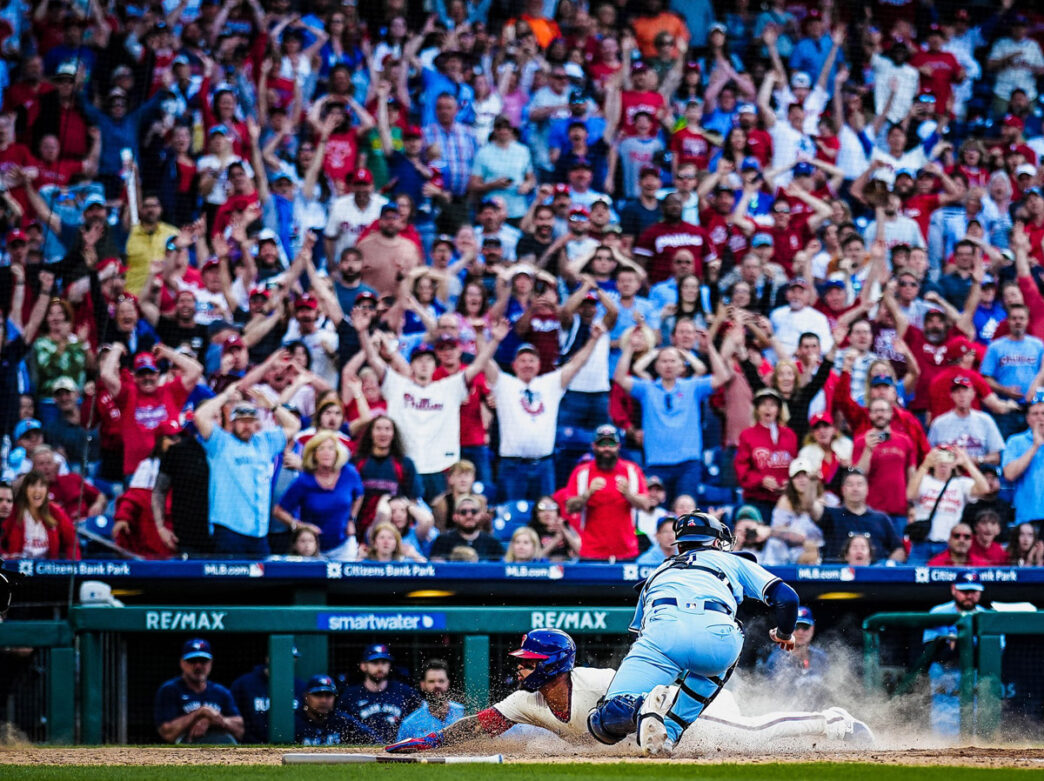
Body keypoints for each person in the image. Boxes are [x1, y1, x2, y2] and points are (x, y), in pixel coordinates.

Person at [385, 627, 871, 754]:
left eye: (529, 663)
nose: (519, 671)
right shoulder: (525, 703)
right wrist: (417, 744)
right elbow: (476, 726)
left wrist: (670, 718)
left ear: (552, 665)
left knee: (747, 738)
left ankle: (831, 721)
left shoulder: (599, 682)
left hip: (682, 703)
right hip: (653, 729)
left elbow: (657, 695)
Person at [589, 512, 805, 756]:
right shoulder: (733, 561)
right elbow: (788, 599)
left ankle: (640, 708)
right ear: (715, 543)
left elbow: (642, 633)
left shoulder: (657, 573)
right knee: (729, 638)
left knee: (603, 724)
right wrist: (785, 633)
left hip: (662, 634)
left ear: (679, 545)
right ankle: (669, 733)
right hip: (716, 635)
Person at [353, 309, 506, 500]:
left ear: (435, 365)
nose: (424, 365)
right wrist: (362, 332)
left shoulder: (449, 387)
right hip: (408, 463)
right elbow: (374, 360)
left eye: (428, 361)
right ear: (412, 365)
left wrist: (495, 341)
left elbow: (478, 364)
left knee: (440, 516)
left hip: (441, 465)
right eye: (418, 361)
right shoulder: (397, 385)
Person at [485, 324, 608, 503]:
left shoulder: (550, 384)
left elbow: (576, 364)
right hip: (512, 466)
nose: (527, 364)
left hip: (544, 465)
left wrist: (594, 340)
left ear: (539, 364)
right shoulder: (504, 384)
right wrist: (490, 338)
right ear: (514, 365)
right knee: (510, 515)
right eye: (523, 360)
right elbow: (484, 361)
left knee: (546, 518)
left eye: (532, 360)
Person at [614, 328, 732, 501]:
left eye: (672, 361)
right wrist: (630, 348)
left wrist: (710, 348)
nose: (668, 365)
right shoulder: (647, 389)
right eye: (664, 361)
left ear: (681, 366)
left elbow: (722, 377)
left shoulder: (693, 387)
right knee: (654, 515)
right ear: (656, 366)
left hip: (688, 463)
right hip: (656, 463)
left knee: (686, 513)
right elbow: (619, 378)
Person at [194, 385, 301, 557]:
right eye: (242, 421)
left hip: (259, 532)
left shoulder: (265, 442)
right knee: (231, 583)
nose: (247, 426)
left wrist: (271, 405)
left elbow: (294, 425)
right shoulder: (220, 442)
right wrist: (225, 395)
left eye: (251, 421)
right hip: (229, 529)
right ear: (233, 422)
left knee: (262, 583)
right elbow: (200, 416)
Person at [563, 424, 650, 560]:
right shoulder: (582, 472)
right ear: (594, 446)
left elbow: (646, 505)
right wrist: (587, 494)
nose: (607, 448)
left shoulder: (631, 470)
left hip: (626, 551)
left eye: (611, 444)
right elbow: (569, 507)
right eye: (602, 444)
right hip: (591, 552)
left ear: (618, 446)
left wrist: (628, 494)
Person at [273, 431, 363, 560]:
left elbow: (359, 495)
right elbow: (279, 511)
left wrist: (351, 519)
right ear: (313, 454)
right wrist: (298, 526)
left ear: (337, 453)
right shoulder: (304, 480)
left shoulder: (349, 473)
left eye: (331, 448)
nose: (327, 452)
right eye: (321, 449)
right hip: (312, 549)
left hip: (344, 546)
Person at [922, 572, 990, 736]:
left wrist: (955, 645)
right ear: (954, 589)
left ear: (980, 592)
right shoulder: (939, 612)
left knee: (976, 738)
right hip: (945, 687)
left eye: (973, 592)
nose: (969, 596)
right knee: (943, 736)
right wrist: (952, 648)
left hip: (974, 686)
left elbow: (992, 656)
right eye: (964, 591)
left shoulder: (988, 616)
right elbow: (935, 654)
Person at [154, 639, 244, 744]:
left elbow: (240, 730)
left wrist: (211, 720)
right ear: (182, 663)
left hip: (219, 751)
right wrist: (199, 713)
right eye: (192, 661)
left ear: (211, 663)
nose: (198, 666)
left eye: (203, 661)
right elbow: (167, 733)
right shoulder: (170, 690)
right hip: (180, 753)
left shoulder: (221, 692)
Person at [811, 469, 905, 563]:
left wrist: (885, 568)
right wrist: (811, 484)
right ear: (843, 490)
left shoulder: (881, 519)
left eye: (859, 484)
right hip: (838, 575)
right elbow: (811, 508)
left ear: (867, 489)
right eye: (850, 485)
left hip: (874, 576)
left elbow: (898, 550)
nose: (855, 488)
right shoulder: (831, 515)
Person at [337, 644, 421, 743]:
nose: (380, 667)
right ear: (363, 666)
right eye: (374, 662)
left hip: (399, 749)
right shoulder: (350, 695)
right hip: (362, 751)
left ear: (389, 665)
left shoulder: (405, 692)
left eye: (384, 662)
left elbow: (420, 719)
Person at [0, 470, 79, 560]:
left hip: (47, 570)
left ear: (46, 490)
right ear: (25, 490)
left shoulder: (56, 512)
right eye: (33, 486)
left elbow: (71, 543)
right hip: (18, 570)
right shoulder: (14, 512)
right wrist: (4, 556)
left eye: (42, 486)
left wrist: (72, 566)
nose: (37, 490)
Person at [761, 607, 829, 710]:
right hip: (789, 716)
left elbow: (829, 690)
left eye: (805, 627)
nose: (800, 632)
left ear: (812, 629)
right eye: (796, 627)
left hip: (817, 716)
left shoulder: (821, 657)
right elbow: (772, 696)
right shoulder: (776, 660)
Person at [230, 654, 305, 744]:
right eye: (283, 657)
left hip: (291, 746)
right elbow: (234, 717)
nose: (286, 662)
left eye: (292, 658)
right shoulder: (244, 684)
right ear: (268, 658)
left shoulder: (300, 686)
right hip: (252, 747)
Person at [295, 674, 377, 745]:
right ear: (306, 697)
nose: (323, 700)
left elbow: (374, 740)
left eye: (328, 695)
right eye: (318, 695)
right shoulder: (295, 722)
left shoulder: (342, 721)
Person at [396, 659, 466, 740]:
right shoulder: (410, 724)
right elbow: (398, 751)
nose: (437, 685)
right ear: (423, 685)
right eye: (431, 681)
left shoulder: (464, 713)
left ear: (448, 683)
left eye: (441, 681)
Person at [429, 494, 505, 561]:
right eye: (463, 512)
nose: (469, 516)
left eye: (474, 511)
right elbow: (437, 567)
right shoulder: (443, 541)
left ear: (480, 515)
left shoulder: (492, 543)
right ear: (455, 516)